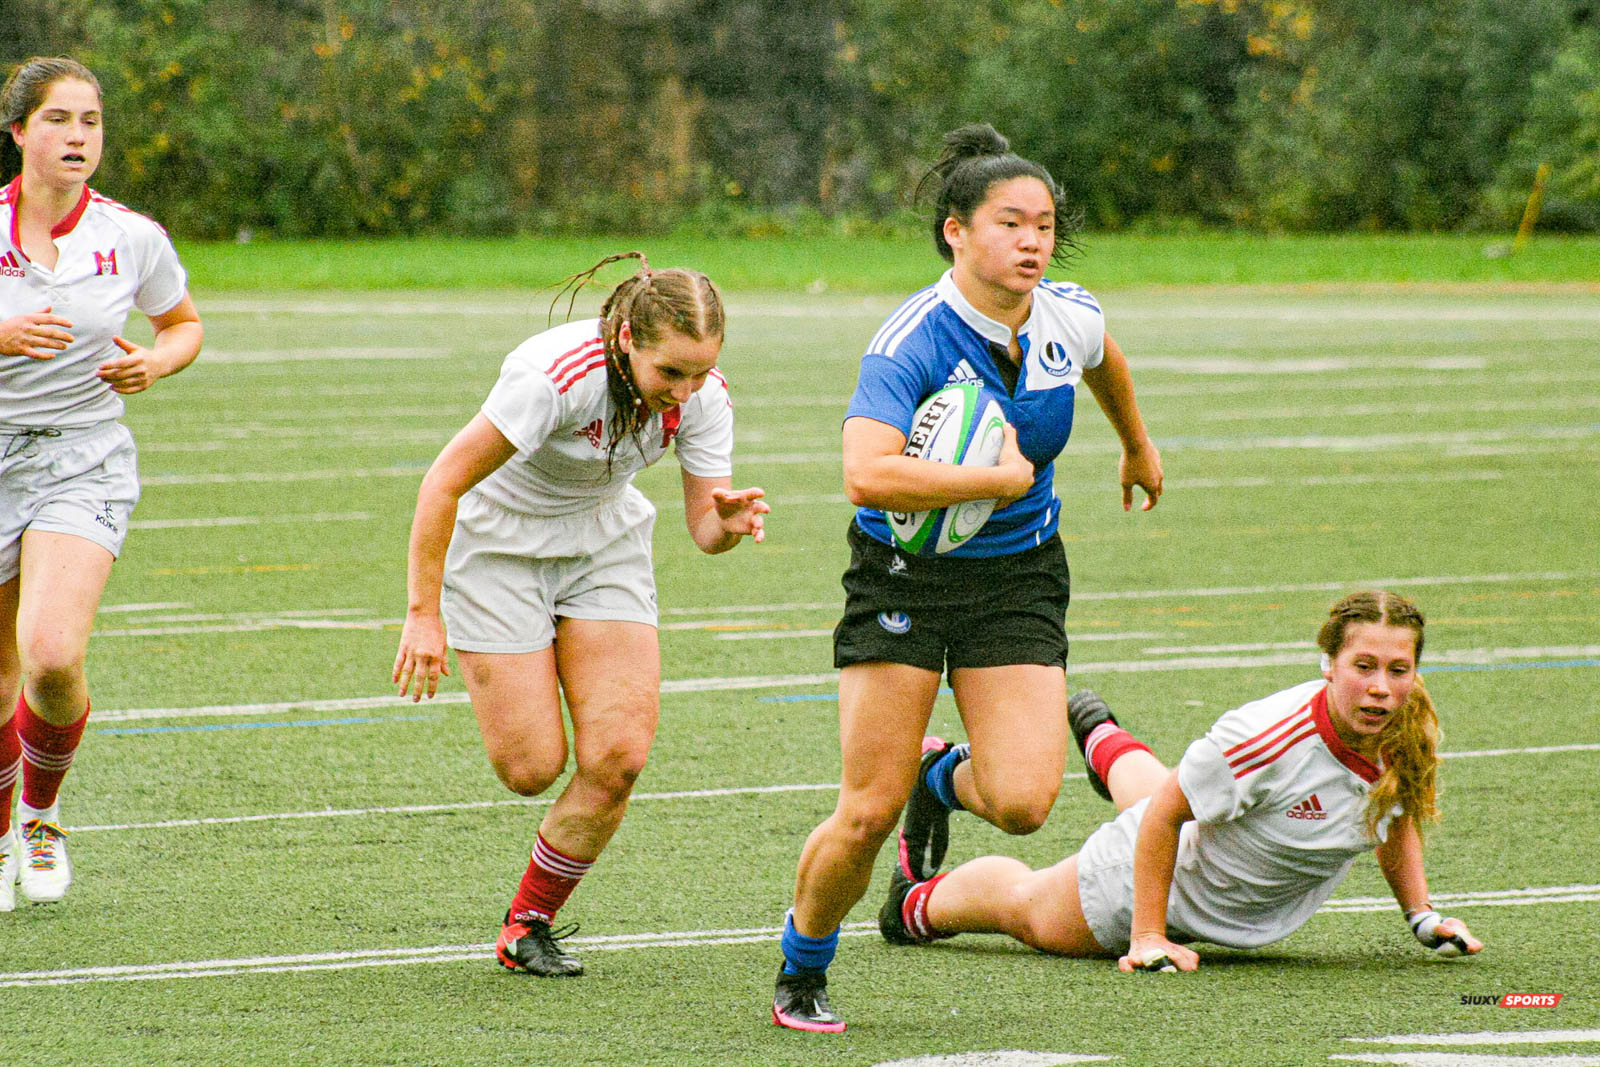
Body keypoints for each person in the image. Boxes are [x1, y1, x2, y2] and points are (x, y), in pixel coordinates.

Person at [773, 123, 1163, 1032]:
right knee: (864, 813)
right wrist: (992, 476)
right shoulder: (910, 338)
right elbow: (866, 472)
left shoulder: (1068, 312)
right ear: (956, 230)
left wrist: (1137, 447)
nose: (1032, 241)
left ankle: (939, 777)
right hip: (904, 579)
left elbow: (1105, 361)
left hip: (1020, 576)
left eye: (1045, 225)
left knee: (1026, 803)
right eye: (1009, 223)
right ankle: (802, 966)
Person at [393, 252, 767, 977]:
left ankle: (528, 922)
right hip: (500, 549)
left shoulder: (704, 397)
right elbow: (442, 483)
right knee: (533, 767)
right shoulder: (554, 377)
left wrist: (727, 521)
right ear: (627, 337)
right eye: (671, 375)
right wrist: (422, 614)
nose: (684, 393)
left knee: (619, 755)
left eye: (699, 373)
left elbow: (702, 529)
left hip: (603, 543)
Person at [877, 590, 1485, 979]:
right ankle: (913, 901)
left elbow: (1391, 815)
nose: (1380, 686)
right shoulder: (1264, 737)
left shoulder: (1408, 729)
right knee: (1027, 909)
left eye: (1397, 670)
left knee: (1188, 794)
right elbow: (1165, 816)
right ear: (1328, 663)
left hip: (1208, 859)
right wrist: (1147, 935)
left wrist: (1422, 917)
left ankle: (1102, 741)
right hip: (1144, 885)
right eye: (1364, 667)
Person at [0, 57, 203, 911]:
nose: (78, 135)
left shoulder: (133, 236)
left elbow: (183, 324)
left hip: (81, 458)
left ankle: (40, 817)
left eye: (90, 121)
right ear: (18, 131)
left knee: (50, 655)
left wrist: (155, 362)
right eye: (58, 120)